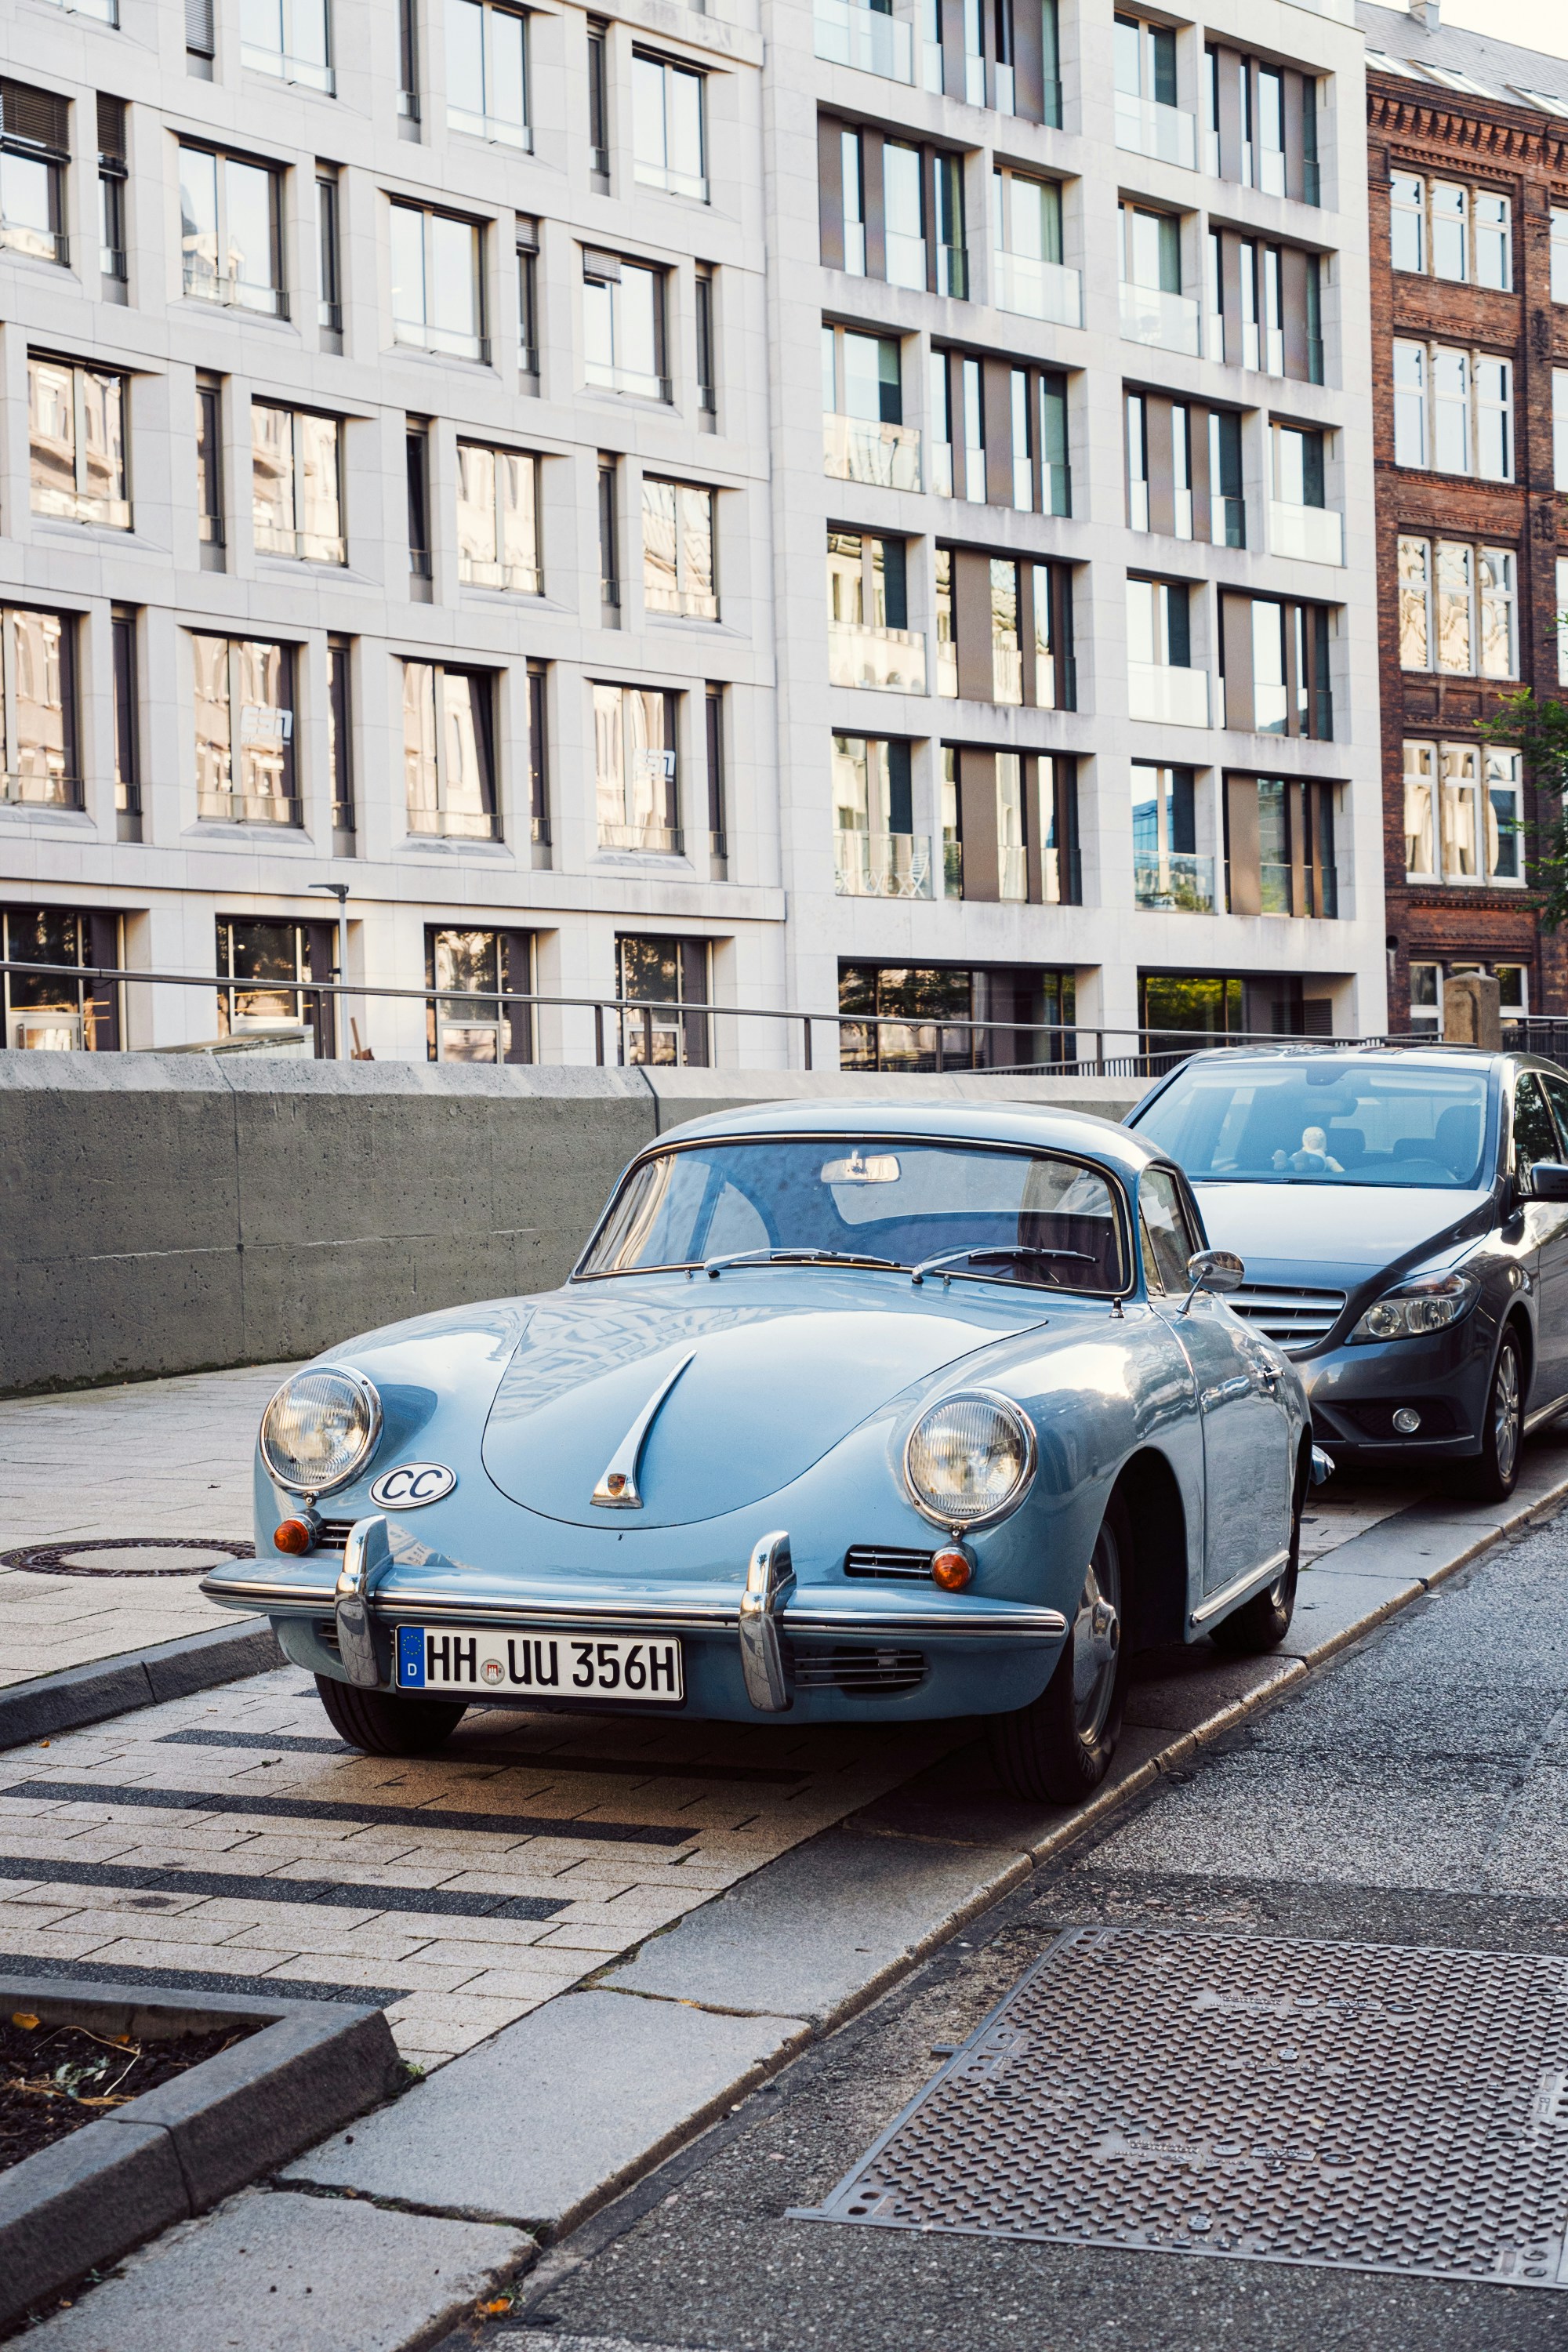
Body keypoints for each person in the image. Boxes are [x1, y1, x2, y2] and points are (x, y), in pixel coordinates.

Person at [1272, 1123, 1343, 1174]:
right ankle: (1282, 1164)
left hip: (1310, 1159)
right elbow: (1341, 1173)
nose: (1313, 1137)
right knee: (1292, 1161)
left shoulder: (1328, 1159)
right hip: (1300, 1156)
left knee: (1310, 1162)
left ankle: (1304, 1165)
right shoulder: (1300, 1153)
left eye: (1319, 1135)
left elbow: (1341, 1174)